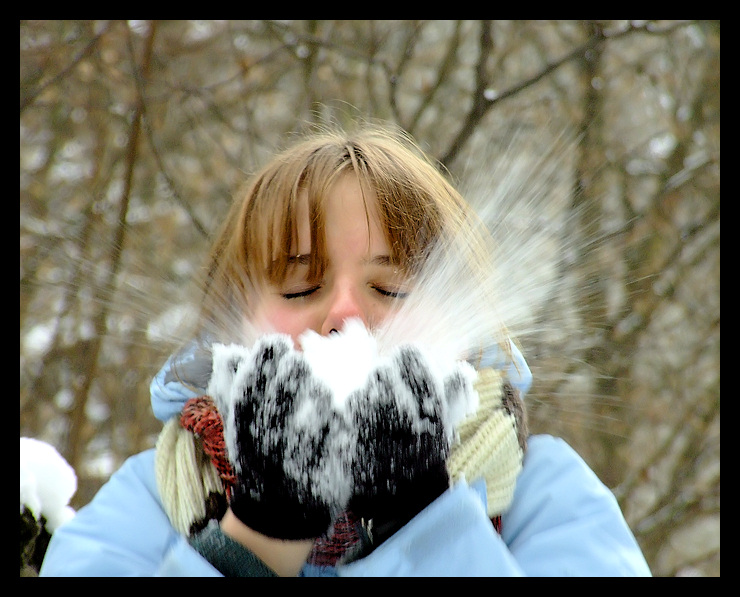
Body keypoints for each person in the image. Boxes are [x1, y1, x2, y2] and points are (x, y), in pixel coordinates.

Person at [40, 123, 651, 577]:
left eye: (391, 288)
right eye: (301, 284)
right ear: (230, 327)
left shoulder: (546, 494)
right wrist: (253, 540)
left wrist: (423, 524)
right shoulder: (147, 500)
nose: (346, 314)